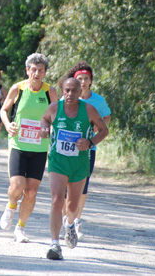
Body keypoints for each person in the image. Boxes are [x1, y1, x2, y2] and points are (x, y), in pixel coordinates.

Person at [40, 78, 108, 260]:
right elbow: (45, 119)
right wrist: (44, 128)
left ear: (80, 91)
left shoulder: (89, 110)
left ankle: (69, 224)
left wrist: (90, 142)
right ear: (62, 90)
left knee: (72, 206)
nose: (70, 94)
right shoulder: (55, 108)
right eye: (67, 90)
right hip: (58, 161)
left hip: (79, 164)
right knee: (56, 200)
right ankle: (55, 244)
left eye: (74, 91)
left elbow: (104, 130)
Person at [0, 53, 57, 243]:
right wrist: (7, 125)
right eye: (33, 70)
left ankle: (20, 228)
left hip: (40, 148)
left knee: (31, 191)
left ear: (45, 72)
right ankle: (11, 205)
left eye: (41, 70)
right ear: (27, 70)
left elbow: (56, 117)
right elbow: (3, 110)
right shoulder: (18, 89)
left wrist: (50, 128)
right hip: (18, 144)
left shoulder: (50, 92)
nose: (37, 73)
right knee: (17, 186)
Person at [62, 61, 112, 241]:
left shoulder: (98, 100)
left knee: (82, 186)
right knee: (66, 186)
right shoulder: (66, 97)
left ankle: (75, 219)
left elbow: (106, 116)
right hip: (66, 148)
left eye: (86, 79)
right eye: (79, 79)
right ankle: (65, 218)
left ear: (90, 81)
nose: (83, 82)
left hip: (88, 149)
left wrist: (97, 129)